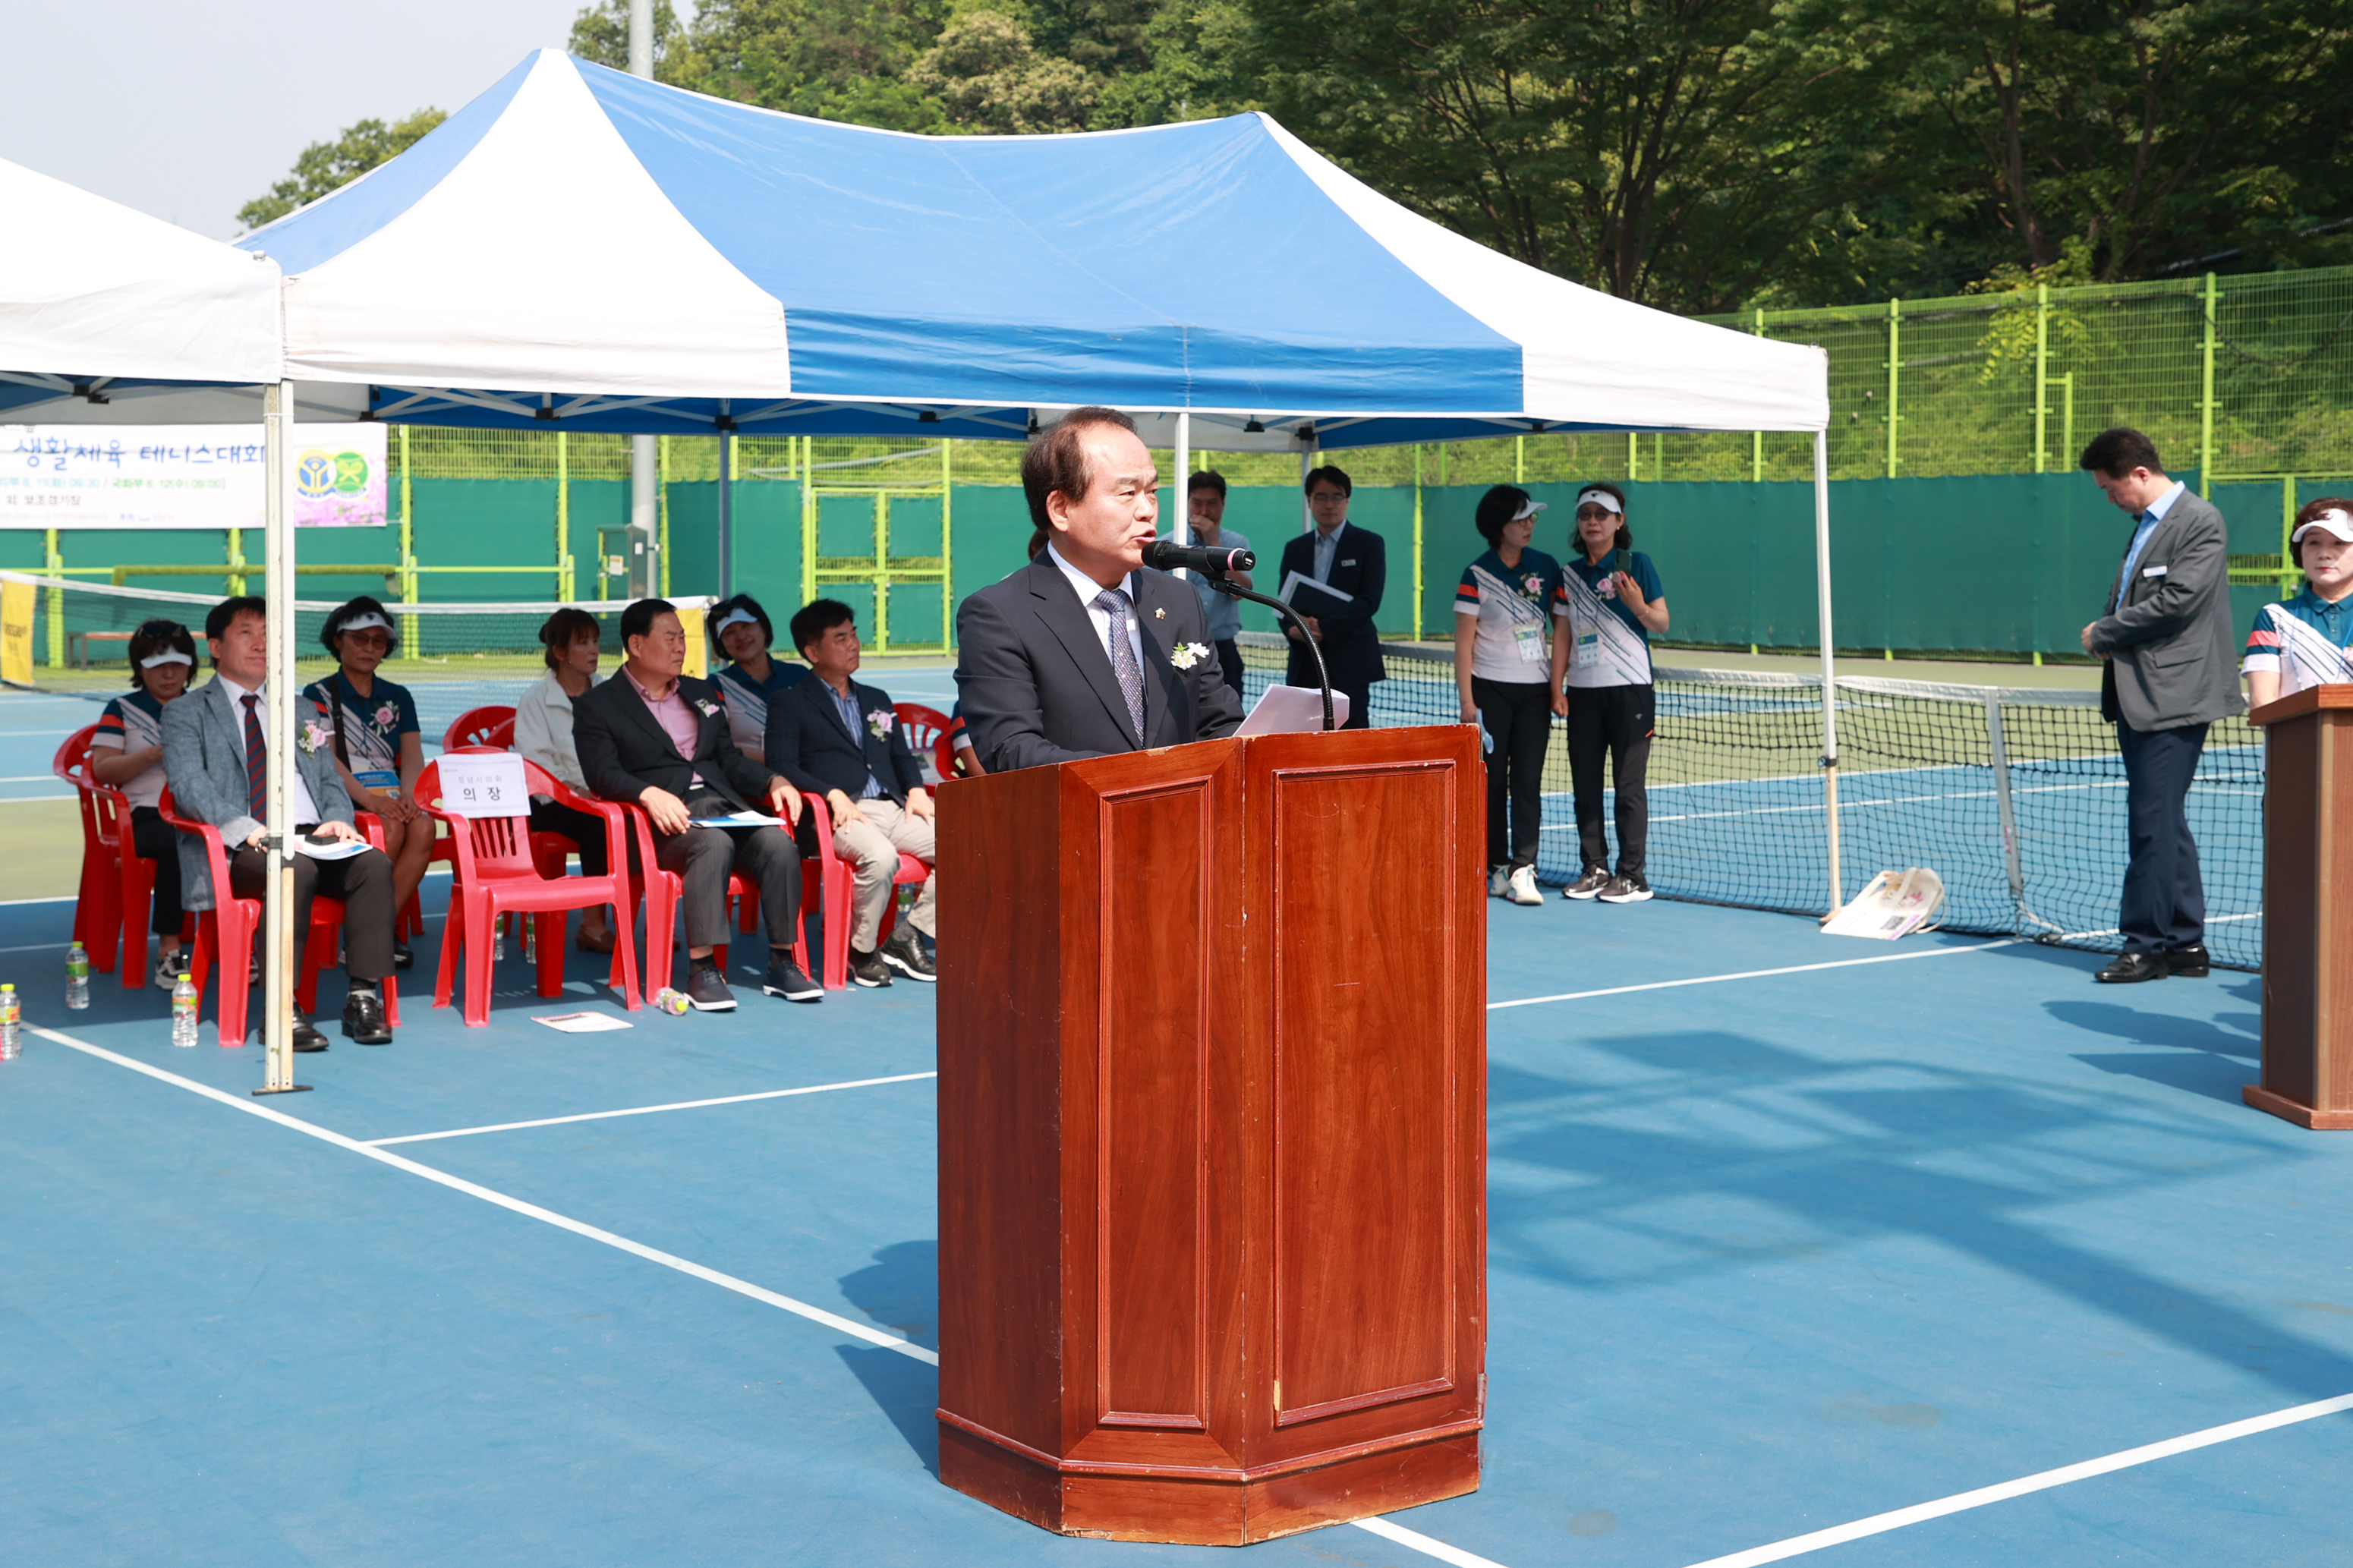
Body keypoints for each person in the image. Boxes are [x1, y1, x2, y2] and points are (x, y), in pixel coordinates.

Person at [159, 595, 396, 1048]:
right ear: (214, 646)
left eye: (269, 633)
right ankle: (281, 1007)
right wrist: (244, 828)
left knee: (373, 864)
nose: (261, 643)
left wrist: (340, 820)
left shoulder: (301, 709)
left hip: (313, 836)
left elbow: (329, 779)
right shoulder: (186, 712)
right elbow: (189, 787)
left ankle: (362, 997)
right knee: (292, 868)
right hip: (244, 844)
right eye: (247, 632)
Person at [955, 407, 1245, 771]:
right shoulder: (999, 615)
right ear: (1061, 509)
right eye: (1127, 493)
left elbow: (1219, 722)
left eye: (1152, 491)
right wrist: (1143, 780)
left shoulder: (1178, 599)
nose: (1147, 510)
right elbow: (1013, 751)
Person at [572, 597, 820, 1010]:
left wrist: (774, 779)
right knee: (713, 844)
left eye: (682, 638)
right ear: (636, 644)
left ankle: (782, 960)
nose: (680, 647)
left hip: (722, 805)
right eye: (669, 637)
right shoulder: (599, 705)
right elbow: (601, 774)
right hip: (661, 823)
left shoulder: (701, 691)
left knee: (779, 844)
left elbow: (729, 760)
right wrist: (647, 794)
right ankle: (702, 969)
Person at [2075, 427, 2241, 984]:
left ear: (2141, 474)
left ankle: (2144, 947)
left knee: (2150, 824)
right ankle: (2185, 944)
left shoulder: (2198, 520)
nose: (2109, 498)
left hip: (2173, 698)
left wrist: (2105, 632)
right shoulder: (2145, 527)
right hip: (2139, 695)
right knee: (2164, 822)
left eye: (2110, 487)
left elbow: (2178, 602)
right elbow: (2139, 591)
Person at [766, 599, 937, 988]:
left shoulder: (876, 698)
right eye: (841, 637)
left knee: (966, 845)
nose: (854, 643)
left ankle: (907, 934)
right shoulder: (789, 702)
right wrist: (830, 794)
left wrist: (914, 790)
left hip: (892, 807)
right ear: (813, 652)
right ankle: (862, 950)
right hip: (840, 815)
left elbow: (900, 753)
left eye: (854, 633)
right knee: (881, 858)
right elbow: (781, 764)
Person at [1550, 483, 1668, 905]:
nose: (1593, 522)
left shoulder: (1637, 564)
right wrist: (1557, 686)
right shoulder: (1568, 574)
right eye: (1586, 516)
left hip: (1632, 692)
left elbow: (1662, 623)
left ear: (1619, 522)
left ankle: (1633, 876)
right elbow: (1562, 633)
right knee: (1585, 785)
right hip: (1583, 695)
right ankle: (1595, 868)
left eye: (1602, 515)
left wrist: (1637, 603)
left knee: (1628, 786)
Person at [304, 597, 428, 969]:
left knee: (423, 828)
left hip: (391, 794)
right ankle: (365, 935)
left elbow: (413, 755)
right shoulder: (316, 696)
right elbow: (325, 761)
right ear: (338, 641)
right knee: (387, 830)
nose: (369, 648)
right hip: (344, 797)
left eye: (378, 641)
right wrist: (370, 802)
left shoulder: (399, 696)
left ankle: (378, 927)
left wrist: (410, 795)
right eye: (359, 639)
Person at [1454, 486, 1562, 907]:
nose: (1529, 525)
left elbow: (1562, 629)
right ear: (1499, 527)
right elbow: (1464, 644)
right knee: (1492, 781)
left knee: (1528, 781)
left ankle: (1523, 868)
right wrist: (1468, 703)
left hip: (1535, 693)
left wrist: (1556, 687)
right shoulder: (1475, 574)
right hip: (1489, 690)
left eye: (1532, 518)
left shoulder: (1547, 568)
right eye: (1521, 519)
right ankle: (1496, 866)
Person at [88, 619, 196, 988]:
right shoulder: (121, 708)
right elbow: (102, 769)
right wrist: (151, 755)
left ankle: (245, 946)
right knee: (177, 843)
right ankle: (169, 949)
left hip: (199, 808)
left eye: (178, 665)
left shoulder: (203, 707)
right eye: (157, 666)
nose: (169, 674)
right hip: (146, 814)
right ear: (140, 668)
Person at [512, 606, 618, 955]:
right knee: (602, 825)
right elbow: (536, 765)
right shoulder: (536, 700)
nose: (594, 650)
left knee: (642, 822)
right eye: (583, 643)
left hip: (604, 794)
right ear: (559, 653)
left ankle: (633, 921)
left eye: (596, 642)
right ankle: (592, 925)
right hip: (551, 802)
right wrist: (579, 793)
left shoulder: (609, 692)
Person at [1276, 464, 1385, 729]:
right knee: (1303, 740)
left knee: (1352, 741)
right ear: (1310, 501)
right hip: (1306, 662)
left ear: (1347, 500)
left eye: (1336, 496)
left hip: (1351, 662)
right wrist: (1292, 628)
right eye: (1320, 497)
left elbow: (1369, 600)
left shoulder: (1370, 544)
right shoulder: (1295, 548)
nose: (1329, 504)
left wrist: (1323, 628)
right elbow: (1283, 604)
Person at [2244, 499, 2353, 707]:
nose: (2324, 553)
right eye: (2313, 542)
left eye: (2339, 542)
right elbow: (2262, 703)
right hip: (2295, 740)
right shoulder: (2273, 617)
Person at [1176, 470, 1251, 698]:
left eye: (1212, 503)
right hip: (1180, 647)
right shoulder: (1170, 544)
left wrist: (1215, 543)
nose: (1205, 511)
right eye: (1197, 503)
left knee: (1230, 716)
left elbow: (1243, 591)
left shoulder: (1237, 544)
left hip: (1223, 648)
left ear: (1223, 505)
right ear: (1186, 504)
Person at [708, 592, 805, 757]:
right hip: (751, 778)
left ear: (764, 628)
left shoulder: (800, 675)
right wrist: (777, 761)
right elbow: (718, 744)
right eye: (729, 632)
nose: (740, 636)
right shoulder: (715, 686)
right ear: (721, 644)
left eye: (746, 626)